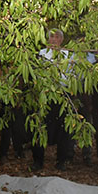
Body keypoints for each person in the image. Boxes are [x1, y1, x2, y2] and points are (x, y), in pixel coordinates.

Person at [33, 29, 73, 171]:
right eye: (51, 37)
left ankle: (61, 160)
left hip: (62, 95)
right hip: (45, 95)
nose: (54, 40)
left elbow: (70, 76)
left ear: (61, 40)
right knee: (41, 127)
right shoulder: (42, 54)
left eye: (56, 37)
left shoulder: (68, 54)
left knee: (63, 129)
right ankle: (38, 161)